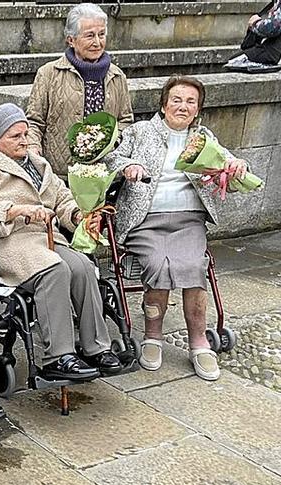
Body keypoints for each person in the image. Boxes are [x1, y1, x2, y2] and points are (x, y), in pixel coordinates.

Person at [0, 103, 123, 381]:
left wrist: (80, 216)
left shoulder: (38, 164)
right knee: (55, 268)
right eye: (15, 136)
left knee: (82, 266)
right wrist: (15, 211)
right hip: (7, 242)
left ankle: (95, 347)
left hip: (46, 238)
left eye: (25, 134)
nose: (24, 140)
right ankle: (58, 356)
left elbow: (62, 198)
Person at [104, 76, 249, 381]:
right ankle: (152, 335)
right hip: (146, 219)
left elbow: (228, 165)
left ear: (198, 110)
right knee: (158, 264)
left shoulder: (204, 137)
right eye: (177, 100)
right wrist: (127, 167)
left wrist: (236, 167)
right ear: (164, 103)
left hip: (188, 219)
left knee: (194, 265)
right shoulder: (141, 131)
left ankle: (198, 342)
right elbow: (111, 159)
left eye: (190, 102)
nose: (182, 107)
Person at [26, 2, 134, 180]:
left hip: (103, 173)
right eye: (90, 36)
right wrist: (33, 147)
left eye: (101, 34)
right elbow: (34, 121)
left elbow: (125, 121)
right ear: (71, 39)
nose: (97, 42)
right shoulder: (49, 74)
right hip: (60, 176)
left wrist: (108, 142)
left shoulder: (117, 76)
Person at [225, 0, 281, 72]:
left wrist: (255, 23)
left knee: (232, 62)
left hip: (274, 53)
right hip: (274, 51)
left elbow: (274, 27)